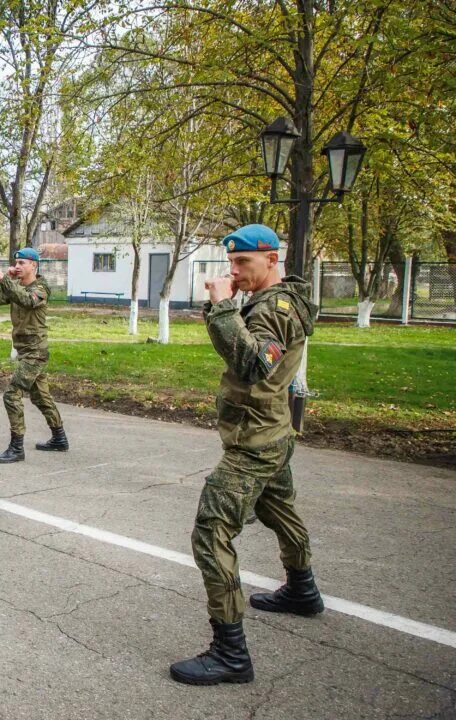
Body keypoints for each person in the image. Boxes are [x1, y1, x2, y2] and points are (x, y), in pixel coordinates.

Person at [170, 224, 324, 686]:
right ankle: (303, 591)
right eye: (231, 263)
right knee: (279, 511)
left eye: (244, 263)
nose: (234, 271)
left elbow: (254, 364)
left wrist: (220, 307)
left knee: (211, 531)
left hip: (254, 443)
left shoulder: (275, 309)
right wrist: (228, 306)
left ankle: (230, 652)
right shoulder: (273, 301)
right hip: (273, 431)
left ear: (272, 259)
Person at [0, 248, 68, 463]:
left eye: (22, 263)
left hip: (35, 352)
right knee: (41, 397)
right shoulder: (16, 286)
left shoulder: (40, 288)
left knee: (11, 394)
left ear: (34, 265)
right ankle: (59, 438)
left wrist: (5, 279)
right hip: (24, 350)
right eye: (17, 263)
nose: (18, 266)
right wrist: (3, 281)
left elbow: (27, 300)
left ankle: (17, 447)